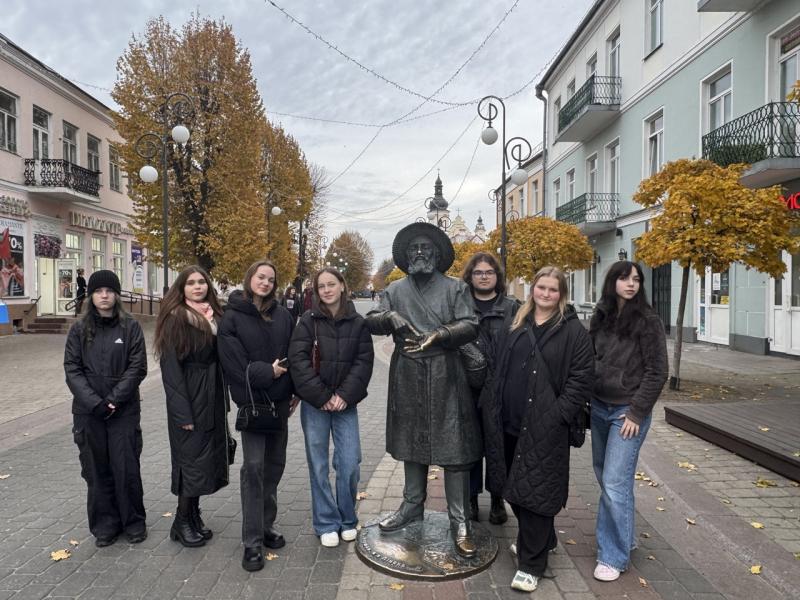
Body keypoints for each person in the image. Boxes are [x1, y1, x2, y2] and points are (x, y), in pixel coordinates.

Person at [366, 222, 481, 557]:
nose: (419, 253)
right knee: (411, 441)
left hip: (446, 373)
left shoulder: (455, 287)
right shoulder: (395, 290)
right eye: (413, 248)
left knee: (454, 446)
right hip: (408, 373)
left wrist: (441, 335)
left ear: (437, 253)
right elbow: (370, 319)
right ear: (406, 255)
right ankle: (411, 506)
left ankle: (459, 519)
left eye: (425, 248)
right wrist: (389, 318)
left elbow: (471, 324)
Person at [483, 266, 594, 592]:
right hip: (509, 421)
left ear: (561, 294)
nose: (546, 294)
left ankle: (532, 563)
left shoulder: (573, 332)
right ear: (533, 289)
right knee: (513, 486)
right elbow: (498, 364)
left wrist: (558, 415)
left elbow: (581, 378)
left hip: (545, 427)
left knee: (537, 492)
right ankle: (543, 539)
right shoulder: (517, 322)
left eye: (553, 289)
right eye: (541, 287)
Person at [589, 261, 668, 582]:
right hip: (598, 407)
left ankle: (613, 556)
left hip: (626, 413)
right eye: (624, 278)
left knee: (613, 483)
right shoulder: (601, 315)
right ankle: (625, 536)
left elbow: (658, 371)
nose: (631, 284)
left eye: (636, 279)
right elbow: (589, 357)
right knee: (607, 477)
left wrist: (637, 412)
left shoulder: (647, 321)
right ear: (613, 282)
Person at [218, 260, 298, 572]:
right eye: (260, 277)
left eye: (270, 279)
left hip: (279, 403)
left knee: (274, 467)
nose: (265, 282)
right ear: (250, 278)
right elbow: (233, 365)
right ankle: (251, 541)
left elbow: (294, 355)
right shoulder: (232, 316)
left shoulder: (284, 316)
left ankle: (266, 526)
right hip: (252, 404)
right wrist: (270, 372)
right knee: (253, 469)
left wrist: (295, 391)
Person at [289, 267, 374, 548]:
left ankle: (347, 518)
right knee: (318, 464)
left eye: (331, 284)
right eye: (321, 286)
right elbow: (298, 361)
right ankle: (326, 522)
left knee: (349, 462)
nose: (326, 290)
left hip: (345, 404)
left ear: (342, 286)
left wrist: (344, 395)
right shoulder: (308, 321)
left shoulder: (358, 322)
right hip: (315, 404)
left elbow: (363, 362)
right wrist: (322, 395)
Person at [64, 270, 148, 547]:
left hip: (123, 411)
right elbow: (72, 369)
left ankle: (133, 522)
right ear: (91, 296)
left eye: (109, 291)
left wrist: (114, 400)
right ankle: (105, 525)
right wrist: (94, 403)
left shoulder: (130, 327)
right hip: (89, 413)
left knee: (126, 467)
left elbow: (137, 367)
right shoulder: (79, 329)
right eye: (98, 291)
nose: (104, 296)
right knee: (96, 469)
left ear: (116, 295)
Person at [154, 266, 230, 548]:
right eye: (191, 283)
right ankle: (182, 520)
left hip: (211, 396)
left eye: (201, 282)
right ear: (181, 288)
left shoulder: (214, 316)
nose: (198, 287)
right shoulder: (176, 318)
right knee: (190, 462)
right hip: (189, 398)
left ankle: (193, 515)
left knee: (204, 460)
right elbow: (171, 370)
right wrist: (181, 412)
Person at [461, 252, 518, 525]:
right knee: (470, 446)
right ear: (470, 277)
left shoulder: (512, 308)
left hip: (502, 389)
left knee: (500, 447)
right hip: (467, 388)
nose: (484, 277)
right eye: (478, 272)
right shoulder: (461, 307)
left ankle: (497, 499)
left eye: (489, 272)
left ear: (497, 276)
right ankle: (471, 498)